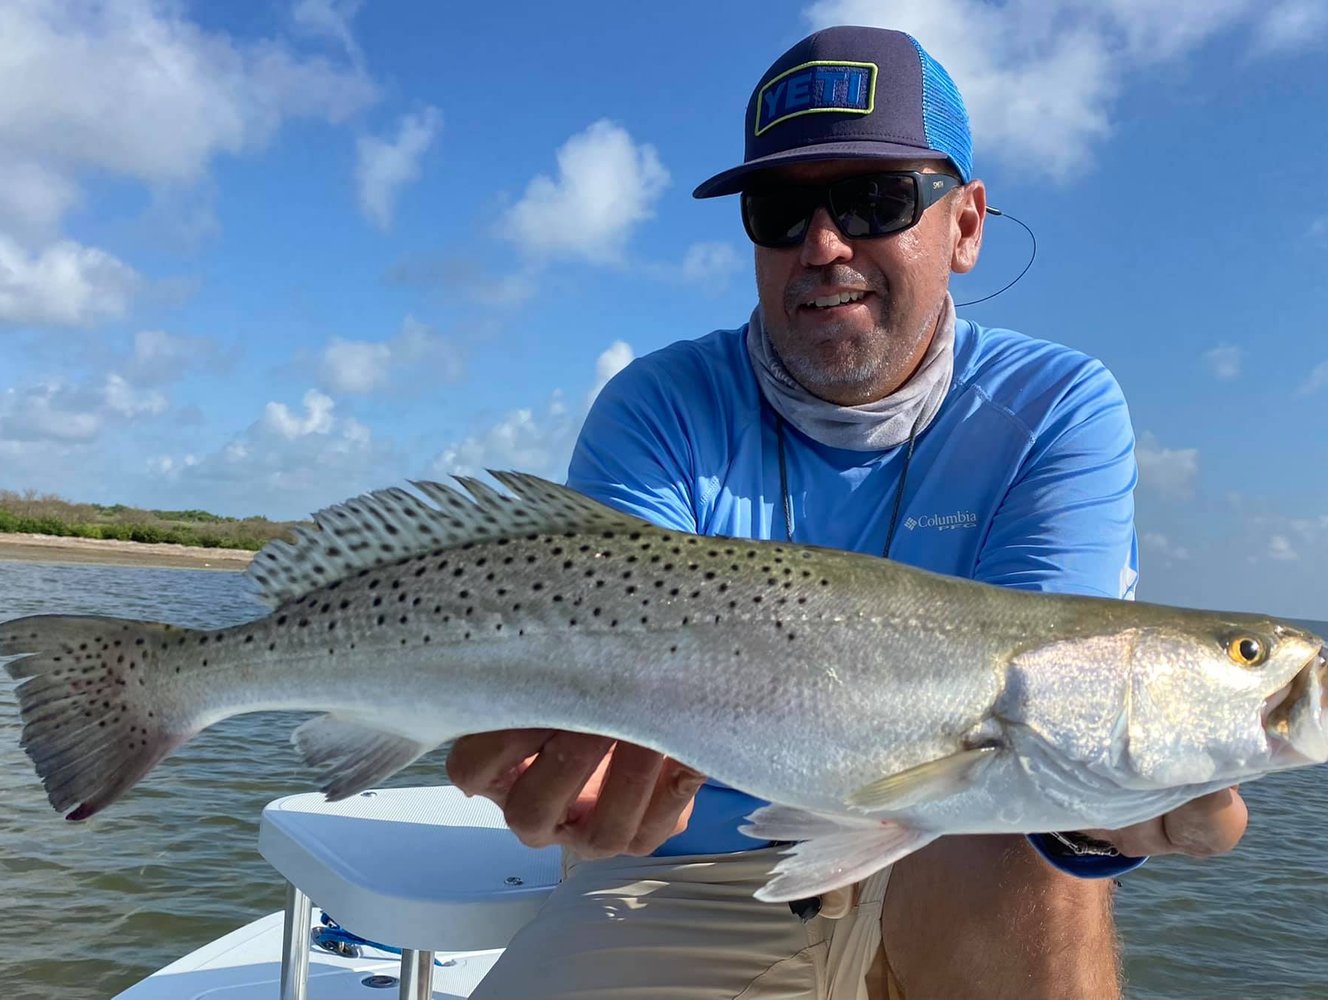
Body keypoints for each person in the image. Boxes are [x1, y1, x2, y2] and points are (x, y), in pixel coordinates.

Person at [449, 24, 1249, 999]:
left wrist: (1092, 817)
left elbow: (1043, 726)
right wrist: (558, 761)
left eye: (874, 200)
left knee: (1026, 864)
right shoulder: (657, 405)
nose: (822, 245)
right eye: (779, 210)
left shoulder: (1055, 408)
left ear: (964, 224)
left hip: (959, 847)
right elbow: (591, 650)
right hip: (686, 860)